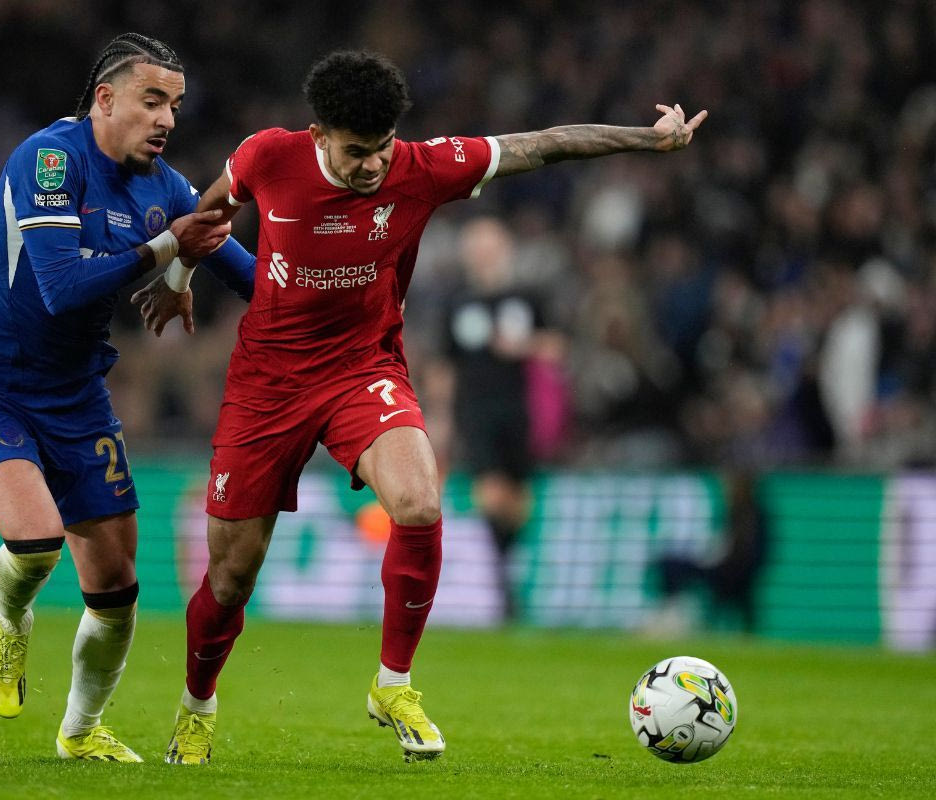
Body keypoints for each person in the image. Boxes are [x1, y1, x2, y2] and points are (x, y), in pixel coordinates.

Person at [136, 50, 706, 764]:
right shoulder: (270, 156)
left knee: (418, 502)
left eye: (382, 147)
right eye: (357, 152)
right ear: (319, 135)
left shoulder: (421, 167)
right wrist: (181, 276)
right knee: (230, 578)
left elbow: (543, 144)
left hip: (362, 369)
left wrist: (648, 138)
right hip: (268, 385)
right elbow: (212, 209)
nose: (374, 164)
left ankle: (394, 685)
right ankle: (197, 706)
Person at [0, 33, 254, 763]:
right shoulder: (49, 160)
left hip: (77, 397)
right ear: (105, 99)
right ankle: (9, 619)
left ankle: (81, 731)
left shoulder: (165, 187)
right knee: (36, 540)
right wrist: (169, 250)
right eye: (152, 100)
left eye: (175, 105)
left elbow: (249, 275)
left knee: (116, 586)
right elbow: (61, 288)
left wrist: (333, 287)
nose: (166, 119)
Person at [438, 216, 566, 621]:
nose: (483, 255)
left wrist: (522, 346)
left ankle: (507, 569)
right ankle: (503, 581)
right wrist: (441, 418)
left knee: (518, 500)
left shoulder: (527, 297)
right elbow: (446, 366)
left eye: (489, 247)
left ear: (505, 250)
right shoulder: (457, 303)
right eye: (476, 248)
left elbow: (556, 347)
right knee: (490, 493)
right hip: (475, 412)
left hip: (522, 410)